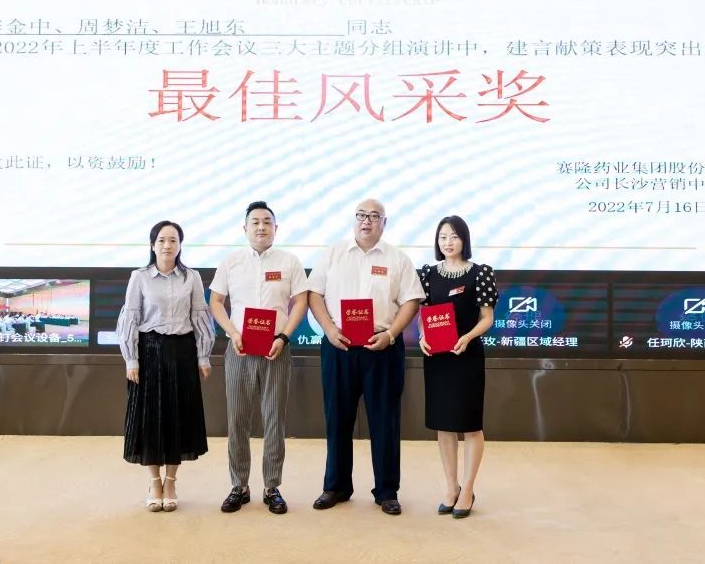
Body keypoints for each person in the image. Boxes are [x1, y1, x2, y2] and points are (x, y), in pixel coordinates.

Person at [307, 199, 425, 516]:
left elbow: (411, 301)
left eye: (374, 216)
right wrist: (329, 329)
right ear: (354, 219)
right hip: (340, 346)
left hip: (382, 347)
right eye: (361, 215)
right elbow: (314, 294)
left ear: (384, 223)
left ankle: (387, 491)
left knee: (385, 421)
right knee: (337, 418)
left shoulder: (398, 259)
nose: (366, 221)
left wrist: (391, 334)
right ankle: (335, 486)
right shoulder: (333, 253)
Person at [209, 201, 308, 515]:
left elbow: (301, 301)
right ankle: (239, 486)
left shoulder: (289, 261)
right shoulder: (231, 262)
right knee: (237, 419)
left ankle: (272, 487)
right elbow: (216, 302)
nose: (261, 227)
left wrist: (283, 337)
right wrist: (231, 332)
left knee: (274, 419)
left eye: (267, 222)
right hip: (239, 349)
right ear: (245, 228)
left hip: (276, 349)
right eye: (255, 222)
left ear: (276, 228)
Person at [117, 220, 214, 513]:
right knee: (149, 418)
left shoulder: (192, 277)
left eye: (173, 240)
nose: (167, 245)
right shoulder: (139, 277)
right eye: (161, 240)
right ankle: (154, 482)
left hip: (182, 351)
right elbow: (131, 317)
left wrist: (203, 357)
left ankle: (171, 481)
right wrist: (131, 359)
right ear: (152, 245)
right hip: (149, 351)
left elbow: (199, 316)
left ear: (180, 245)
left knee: (178, 417)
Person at [417, 215, 498, 519]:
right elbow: (424, 315)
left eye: (453, 236)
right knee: (444, 424)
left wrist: (467, 337)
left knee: (471, 424)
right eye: (442, 237)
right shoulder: (428, 274)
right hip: (438, 357)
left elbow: (487, 318)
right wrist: (423, 336)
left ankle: (468, 489)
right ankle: (451, 487)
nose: (448, 242)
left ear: (464, 239)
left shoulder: (480, 273)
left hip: (467, 354)